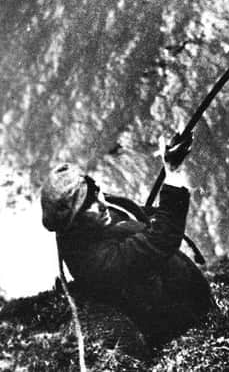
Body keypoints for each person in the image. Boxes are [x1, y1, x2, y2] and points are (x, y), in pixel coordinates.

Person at [40, 133, 215, 345]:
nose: (103, 203)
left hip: (174, 287)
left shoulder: (92, 219)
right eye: (90, 205)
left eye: (97, 192)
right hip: (180, 321)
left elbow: (134, 218)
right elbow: (161, 240)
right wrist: (172, 172)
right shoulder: (95, 263)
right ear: (73, 222)